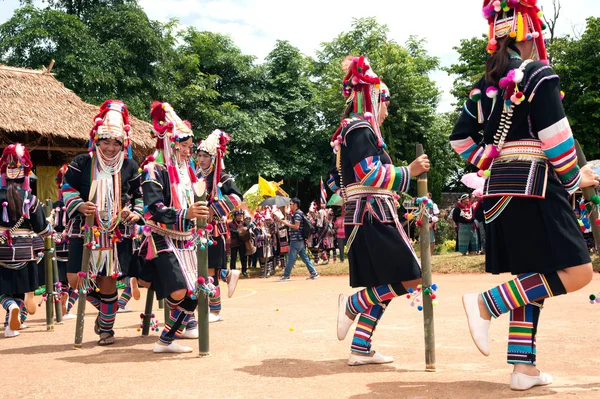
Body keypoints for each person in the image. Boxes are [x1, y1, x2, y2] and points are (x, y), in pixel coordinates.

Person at [450, 0, 599, 391]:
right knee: (578, 271)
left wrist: (492, 158)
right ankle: (487, 303)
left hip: (499, 191)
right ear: (530, 30)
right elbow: (555, 136)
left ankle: (523, 368)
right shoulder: (536, 74)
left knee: (532, 276)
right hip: (535, 184)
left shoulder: (484, 87)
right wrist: (575, 178)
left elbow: (460, 140)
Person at [329, 56, 430, 365]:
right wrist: (408, 172)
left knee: (383, 286)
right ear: (374, 98)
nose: (387, 110)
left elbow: (341, 180)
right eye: (386, 103)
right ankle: (354, 304)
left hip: (371, 213)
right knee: (414, 277)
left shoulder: (358, 131)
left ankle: (361, 347)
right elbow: (368, 173)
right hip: (371, 216)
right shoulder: (359, 128)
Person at [63, 100, 142, 346]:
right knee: (76, 279)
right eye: (105, 142)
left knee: (107, 281)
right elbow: (67, 188)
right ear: (96, 140)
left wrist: (134, 211)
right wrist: (79, 204)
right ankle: (108, 311)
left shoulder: (130, 165)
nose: (110, 148)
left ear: (123, 143)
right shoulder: (82, 162)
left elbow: (140, 196)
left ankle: (106, 328)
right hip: (85, 228)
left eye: (115, 143)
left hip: (115, 231)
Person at [138, 101, 208, 353]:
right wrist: (185, 213)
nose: (190, 152)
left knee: (197, 291)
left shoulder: (188, 172)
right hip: (161, 237)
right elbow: (153, 208)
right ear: (172, 143)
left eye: (191, 147)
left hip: (187, 238)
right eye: (186, 146)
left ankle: (164, 340)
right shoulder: (153, 170)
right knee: (180, 291)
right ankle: (165, 338)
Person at [0, 144, 52, 338]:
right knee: (21, 287)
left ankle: (10, 310)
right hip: (24, 250)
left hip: (1, 248)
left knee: (3, 288)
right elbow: (41, 227)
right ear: (25, 173)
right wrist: (50, 231)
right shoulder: (30, 198)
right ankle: (11, 324)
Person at [195, 129, 243, 323]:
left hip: (214, 231)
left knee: (209, 272)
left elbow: (238, 197)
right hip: (197, 230)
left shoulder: (222, 177)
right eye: (199, 155)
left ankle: (215, 311)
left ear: (214, 157)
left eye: (205, 156)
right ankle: (228, 274)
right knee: (203, 270)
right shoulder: (195, 174)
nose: (201, 159)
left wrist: (215, 209)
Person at [276, 198, 319, 281]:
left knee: (291, 258)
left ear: (295, 204)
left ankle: (286, 275)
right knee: (304, 257)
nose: (290, 205)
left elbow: (296, 226)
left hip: (296, 239)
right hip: (299, 239)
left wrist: (286, 223)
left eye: (291, 204)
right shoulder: (298, 213)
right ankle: (314, 273)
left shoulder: (297, 214)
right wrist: (284, 222)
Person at [228, 210, 248, 276]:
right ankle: (233, 271)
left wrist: (246, 228)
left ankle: (244, 271)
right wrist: (238, 231)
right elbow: (230, 230)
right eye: (238, 216)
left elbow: (250, 226)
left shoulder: (244, 223)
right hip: (234, 243)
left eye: (241, 215)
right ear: (235, 216)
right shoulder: (230, 224)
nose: (240, 217)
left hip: (242, 242)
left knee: (243, 257)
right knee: (233, 257)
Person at [472, 190, 485, 255]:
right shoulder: (480, 202)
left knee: (483, 235)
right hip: (480, 220)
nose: (476, 198)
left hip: (482, 220)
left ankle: (484, 249)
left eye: (476, 197)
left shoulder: (482, 202)